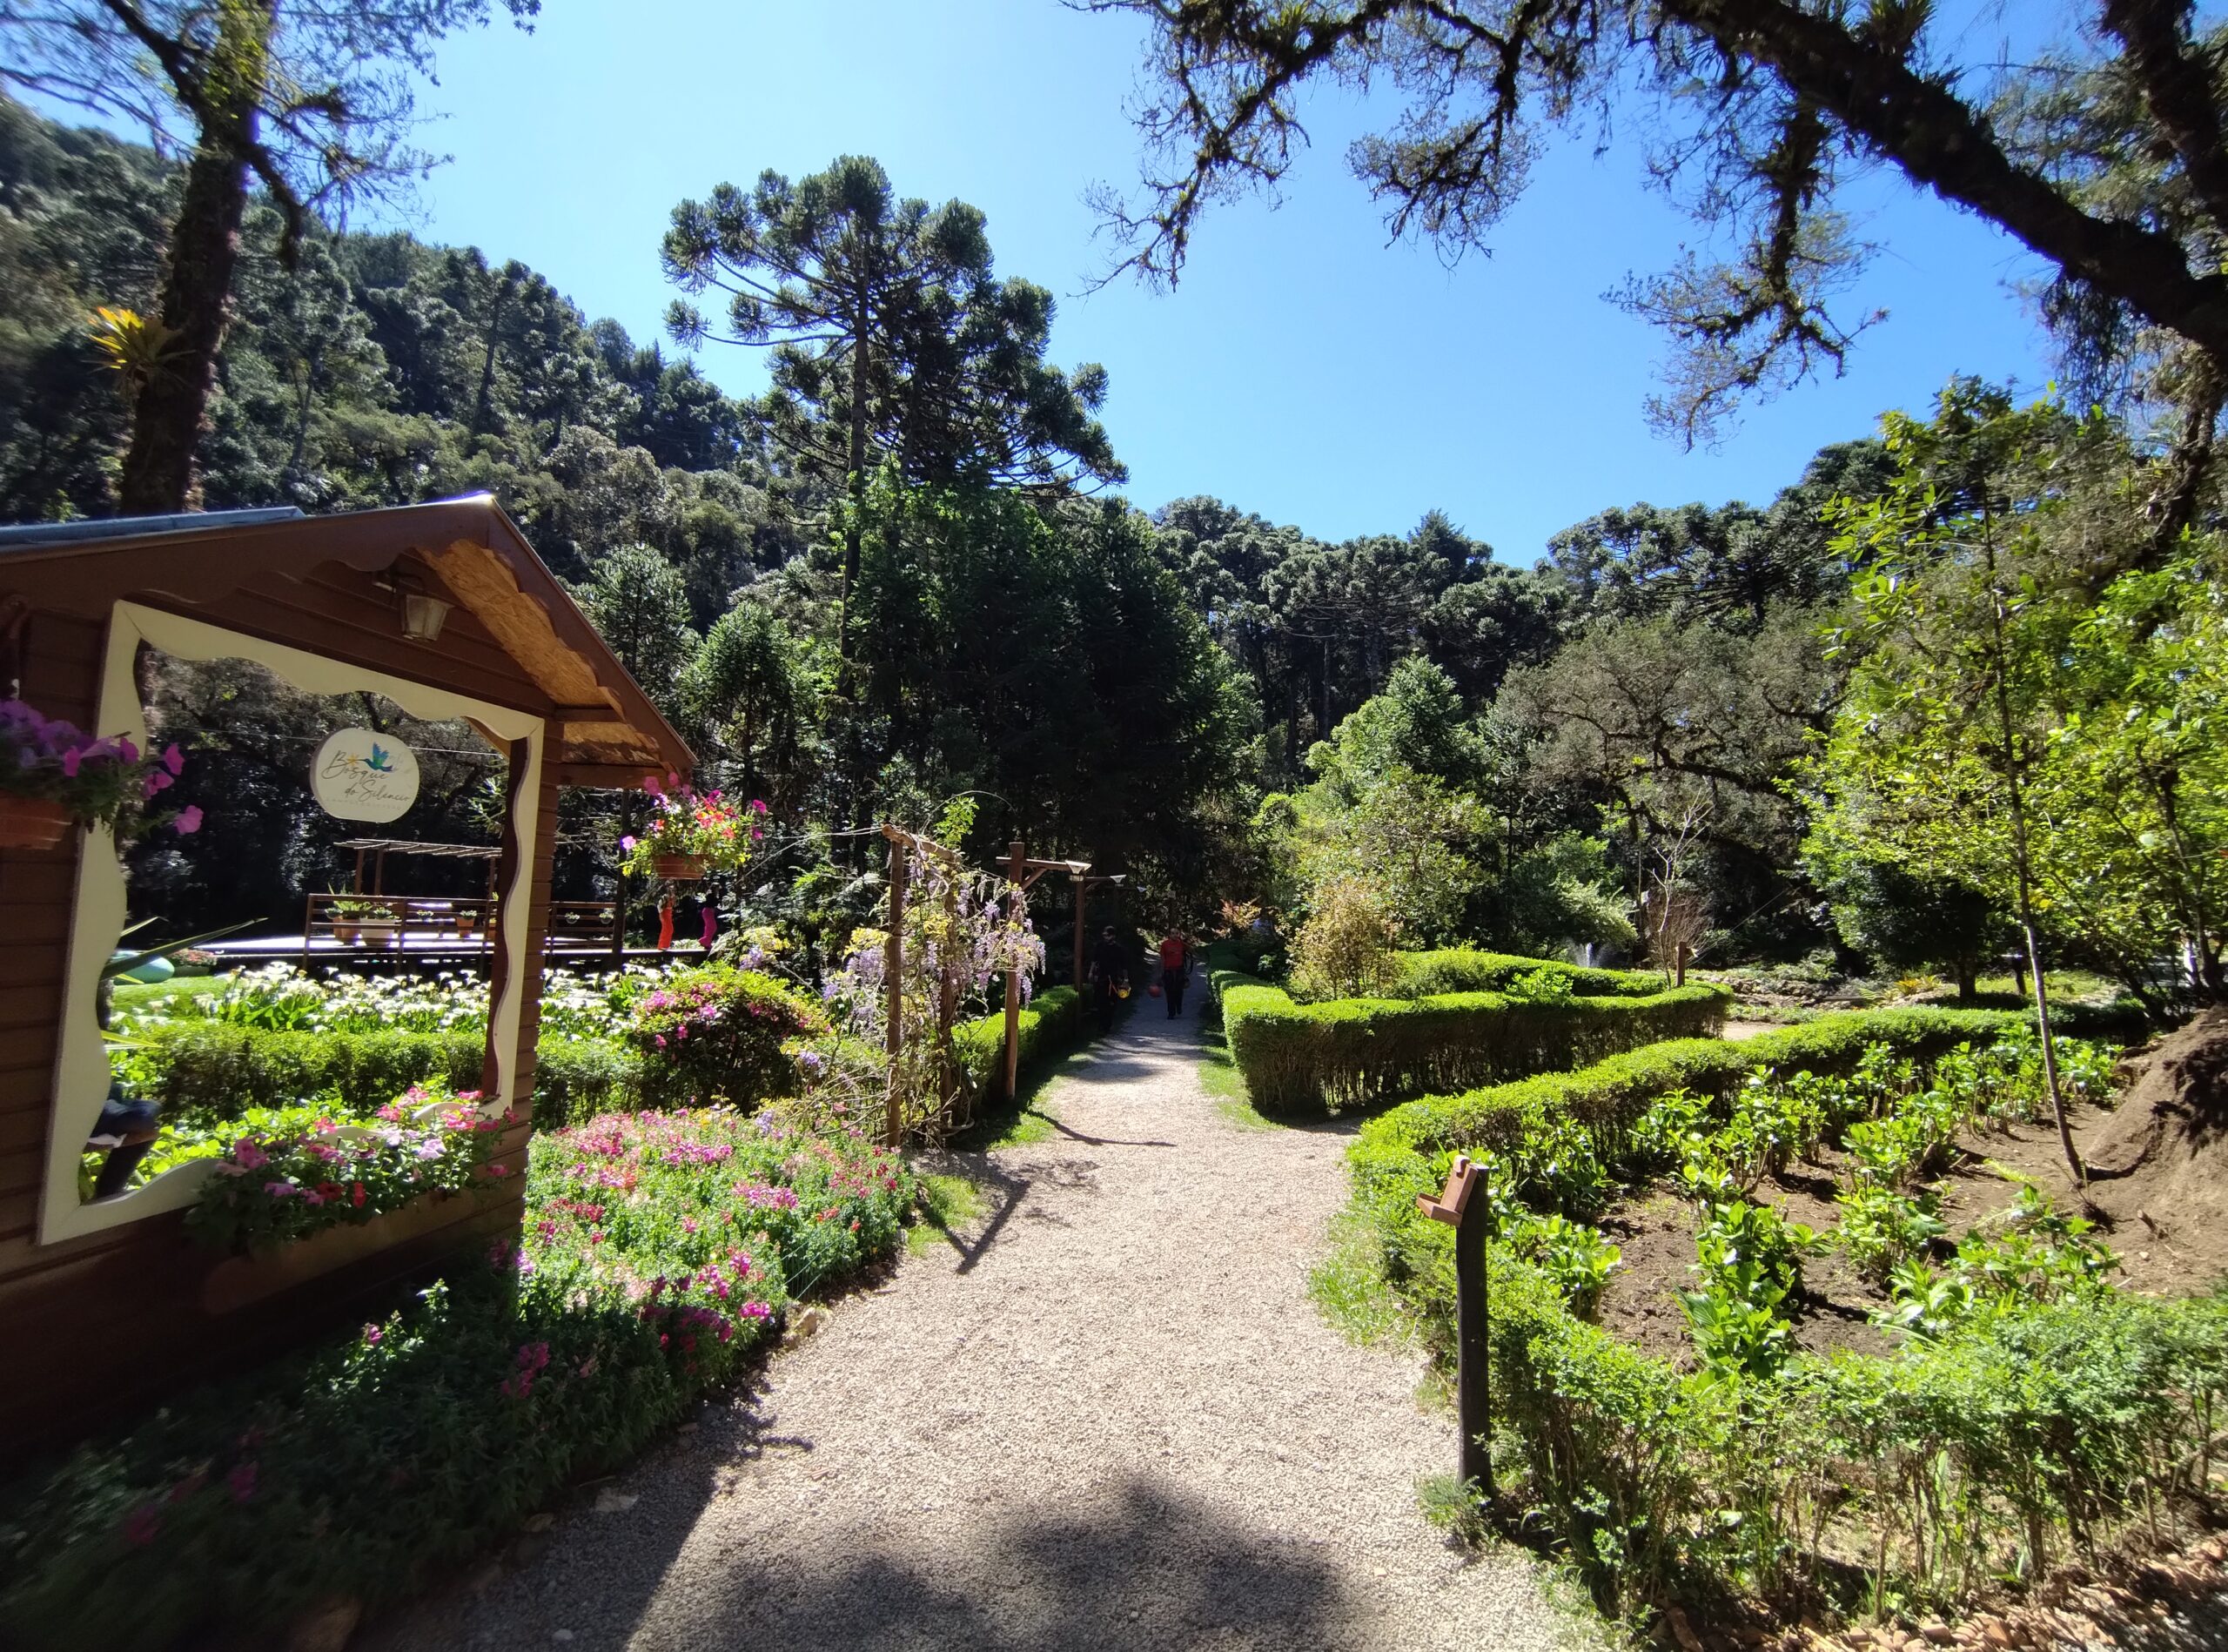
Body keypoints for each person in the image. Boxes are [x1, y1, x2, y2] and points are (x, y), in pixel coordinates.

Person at [1087, 924, 1131, 1034]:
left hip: (1114, 979)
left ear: (1113, 936)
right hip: (1101, 978)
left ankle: (1107, 1024)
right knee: (1101, 1002)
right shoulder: (1100, 946)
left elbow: (1124, 965)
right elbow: (1094, 960)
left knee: (1112, 1002)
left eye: (1107, 936)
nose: (1105, 938)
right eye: (1104, 935)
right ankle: (1101, 1025)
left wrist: (1126, 980)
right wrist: (1091, 972)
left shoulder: (1119, 949)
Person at [1158, 928, 1191, 1017]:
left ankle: (1178, 1006)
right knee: (1169, 991)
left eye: (1177, 933)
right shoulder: (1165, 944)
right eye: (1172, 933)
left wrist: (1183, 943)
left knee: (1179, 991)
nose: (1175, 935)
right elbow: (1162, 958)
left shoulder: (1181, 944)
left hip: (1179, 970)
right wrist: (1161, 972)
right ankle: (1171, 1012)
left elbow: (1191, 950)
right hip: (1168, 970)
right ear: (1169, 935)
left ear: (1179, 934)